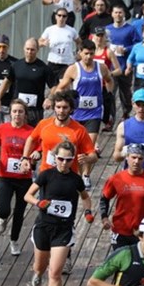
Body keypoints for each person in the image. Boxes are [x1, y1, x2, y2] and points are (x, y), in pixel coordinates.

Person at [21, 90, 98, 274]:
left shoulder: (78, 130)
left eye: (65, 108)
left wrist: (87, 160)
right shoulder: (44, 125)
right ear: (53, 107)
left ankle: (66, 253)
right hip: (46, 176)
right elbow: (32, 139)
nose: (61, 111)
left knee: (66, 217)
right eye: (58, 107)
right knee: (45, 213)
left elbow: (93, 154)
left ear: (71, 109)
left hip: (70, 179)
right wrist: (26, 156)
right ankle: (45, 249)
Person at [24, 141, 92, 286]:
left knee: (54, 272)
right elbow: (27, 195)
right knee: (40, 266)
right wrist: (39, 203)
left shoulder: (76, 179)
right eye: (60, 159)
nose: (64, 163)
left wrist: (87, 212)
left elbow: (85, 197)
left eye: (68, 160)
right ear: (55, 158)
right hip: (44, 227)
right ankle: (37, 274)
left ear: (72, 160)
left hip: (63, 229)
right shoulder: (46, 175)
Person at [55, 39, 114, 190]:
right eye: (86, 53)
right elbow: (61, 87)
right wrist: (55, 99)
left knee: (89, 147)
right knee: (74, 146)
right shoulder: (73, 69)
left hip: (94, 113)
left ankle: (86, 176)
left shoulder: (101, 68)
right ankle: (75, 174)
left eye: (91, 53)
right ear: (80, 53)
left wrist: (108, 94)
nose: (88, 57)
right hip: (76, 114)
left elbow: (109, 81)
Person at [100, 143, 144, 249]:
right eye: (133, 157)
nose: (136, 161)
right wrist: (104, 217)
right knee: (121, 263)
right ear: (127, 157)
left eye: (140, 158)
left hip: (143, 232)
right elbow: (104, 198)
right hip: (120, 231)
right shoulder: (116, 179)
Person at [0, 100, 34, 256]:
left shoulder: (31, 131)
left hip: (24, 178)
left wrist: (34, 157)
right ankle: (3, 218)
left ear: (25, 114)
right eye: (14, 111)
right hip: (5, 176)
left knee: (19, 211)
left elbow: (38, 150)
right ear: (10, 113)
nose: (17, 114)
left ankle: (14, 240)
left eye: (20, 111)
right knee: (3, 210)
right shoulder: (2, 128)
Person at [0, 38, 56, 127]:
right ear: (24, 49)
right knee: (16, 131)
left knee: (34, 134)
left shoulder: (43, 67)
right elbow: (7, 81)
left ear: (37, 50)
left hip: (35, 110)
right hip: (18, 108)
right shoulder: (16, 65)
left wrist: (49, 98)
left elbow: (54, 86)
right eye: (27, 49)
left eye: (32, 49)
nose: (29, 52)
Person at [106, 5, 142, 120]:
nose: (118, 15)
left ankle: (126, 112)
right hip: (111, 68)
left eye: (120, 13)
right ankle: (110, 118)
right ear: (112, 14)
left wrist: (126, 49)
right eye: (116, 12)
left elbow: (138, 45)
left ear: (124, 14)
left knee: (125, 93)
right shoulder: (107, 29)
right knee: (110, 92)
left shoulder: (130, 29)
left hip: (125, 66)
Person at [39, 8, 81, 85]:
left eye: (64, 16)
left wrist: (78, 52)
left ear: (67, 18)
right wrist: (43, 43)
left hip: (67, 62)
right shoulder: (49, 30)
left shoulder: (71, 30)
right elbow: (39, 42)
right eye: (59, 15)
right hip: (53, 62)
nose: (61, 18)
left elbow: (79, 42)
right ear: (56, 17)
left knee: (64, 85)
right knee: (53, 86)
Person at [92, 26, 122, 132]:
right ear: (93, 37)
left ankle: (108, 119)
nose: (99, 38)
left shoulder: (108, 52)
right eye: (98, 36)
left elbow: (119, 70)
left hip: (105, 84)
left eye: (102, 36)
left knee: (106, 104)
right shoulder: (90, 52)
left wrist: (110, 74)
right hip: (92, 83)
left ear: (105, 37)